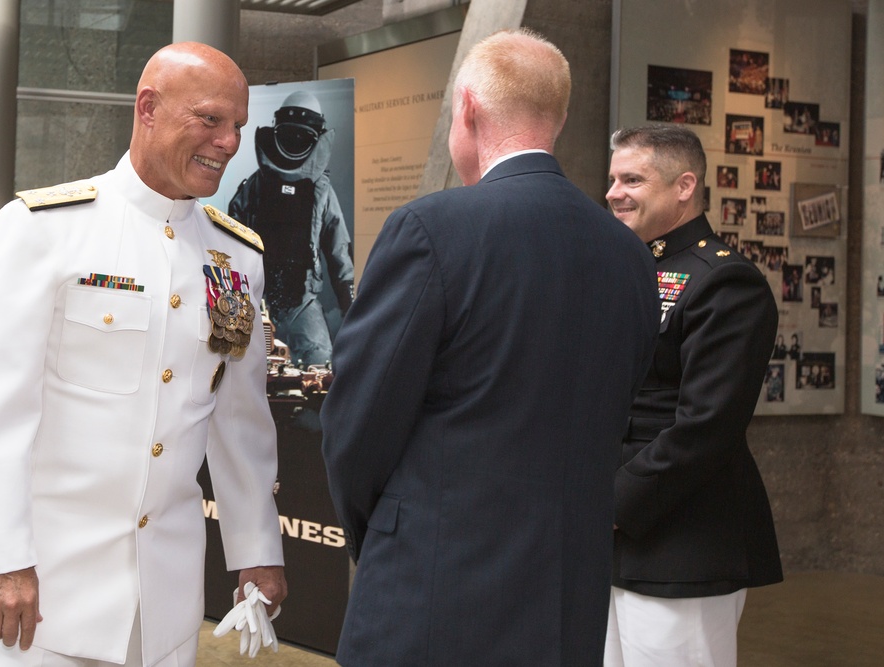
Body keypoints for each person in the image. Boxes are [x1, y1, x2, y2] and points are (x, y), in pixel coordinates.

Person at [320, 29, 659, 666]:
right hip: (566, 598)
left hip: (432, 588)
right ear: (556, 117)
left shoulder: (431, 229)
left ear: (467, 109)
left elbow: (357, 422)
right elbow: (622, 405)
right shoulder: (630, 256)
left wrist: (389, 530)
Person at [0, 42, 286, 666]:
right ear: (148, 108)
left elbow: (240, 418)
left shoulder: (235, 258)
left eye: (238, 125)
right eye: (210, 119)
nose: (230, 142)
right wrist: (0, 559)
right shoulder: (44, 229)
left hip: (166, 603)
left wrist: (256, 546)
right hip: (41, 596)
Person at [604, 124, 782, 667]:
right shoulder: (626, 268)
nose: (613, 192)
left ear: (684, 186)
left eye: (632, 179)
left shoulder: (725, 282)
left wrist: (610, 501)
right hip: (609, 536)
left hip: (682, 539)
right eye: (612, 178)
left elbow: (706, 425)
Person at [229, 90, 354, 368]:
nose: (295, 142)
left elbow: (338, 252)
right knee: (239, 366)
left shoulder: (319, 190)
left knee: (321, 365)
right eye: (290, 136)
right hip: (256, 297)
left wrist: (351, 305)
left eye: (302, 138)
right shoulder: (256, 186)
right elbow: (228, 244)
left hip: (300, 300)